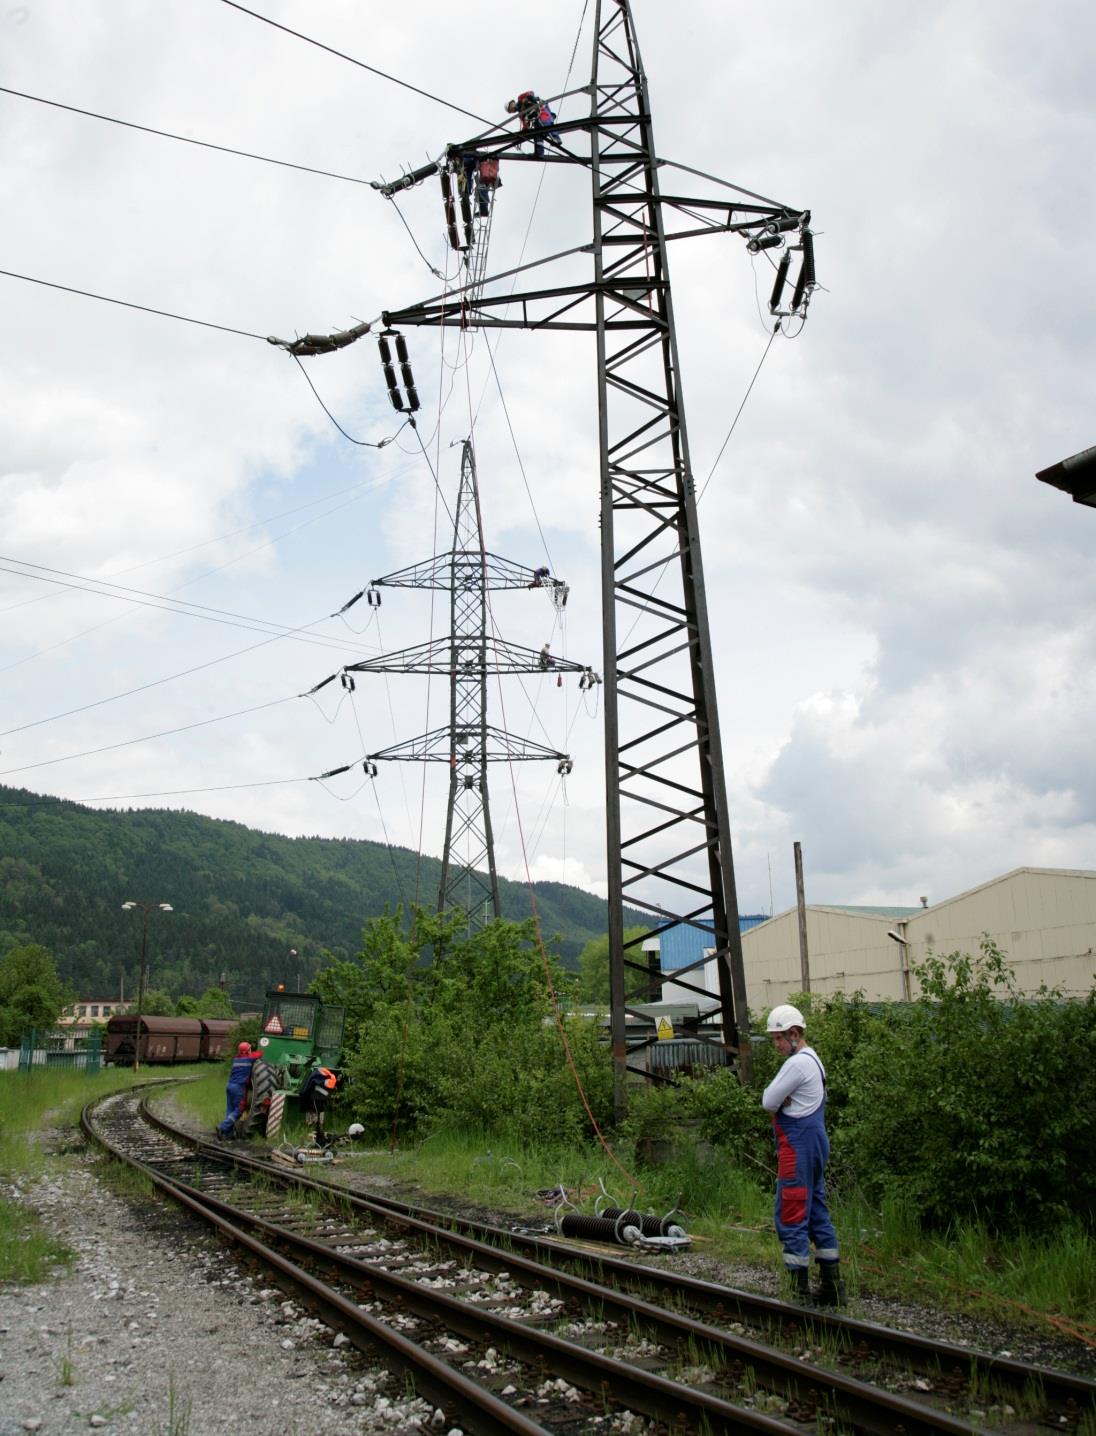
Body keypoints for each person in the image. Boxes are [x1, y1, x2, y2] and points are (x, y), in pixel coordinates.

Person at [761, 1004, 845, 1305]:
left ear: (794, 1034)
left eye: (779, 1038)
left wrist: (780, 1100)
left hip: (797, 1146)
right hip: (815, 1141)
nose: (777, 1044)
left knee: (792, 1210)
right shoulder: (814, 1061)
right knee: (817, 1211)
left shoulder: (797, 1064)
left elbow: (768, 1101)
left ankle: (799, 1291)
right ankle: (832, 1285)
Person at [217, 1041, 259, 1138]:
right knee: (239, 1110)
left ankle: (227, 1133)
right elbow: (259, 1054)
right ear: (247, 1051)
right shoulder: (249, 1059)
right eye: (249, 1049)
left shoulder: (236, 1059)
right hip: (238, 1087)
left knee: (230, 1109)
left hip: (229, 1085)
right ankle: (222, 1127)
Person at [505, 92, 561, 157]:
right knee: (537, 134)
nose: (512, 110)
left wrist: (528, 100)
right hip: (537, 117)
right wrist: (518, 138)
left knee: (544, 121)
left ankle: (556, 138)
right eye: (510, 111)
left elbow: (531, 93)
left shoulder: (520, 98)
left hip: (541, 109)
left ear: (512, 102)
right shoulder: (521, 115)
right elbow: (526, 126)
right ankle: (539, 153)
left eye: (510, 107)